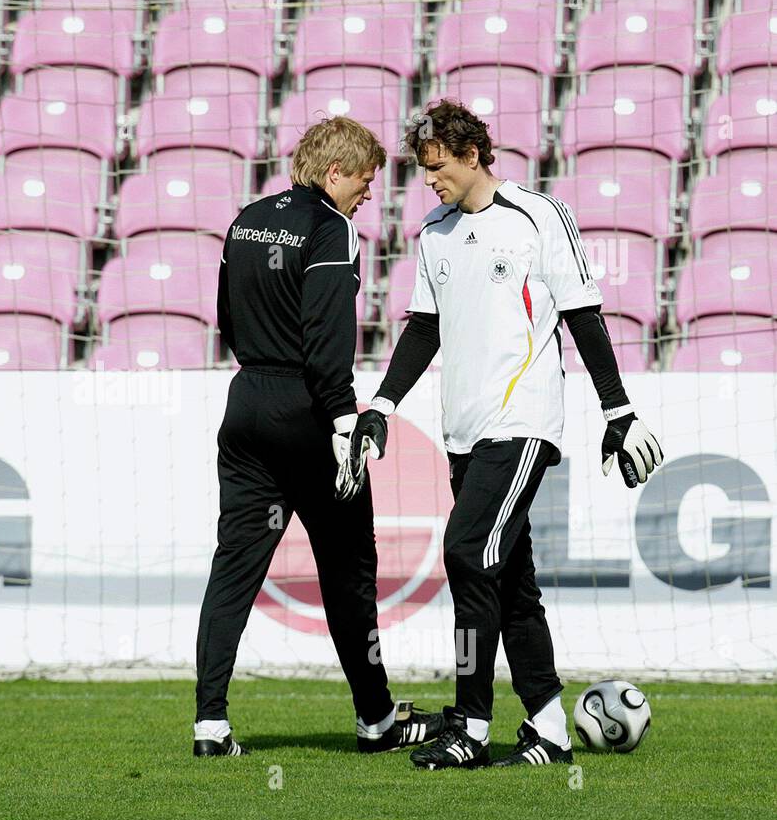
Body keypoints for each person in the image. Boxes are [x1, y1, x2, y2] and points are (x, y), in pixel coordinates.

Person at [342, 100, 664, 769]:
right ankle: (548, 727)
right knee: (511, 581)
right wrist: (380, 405)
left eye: (437, 168)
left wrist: (618, 411)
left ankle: (472, 725)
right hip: (462, 431)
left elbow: (582, 314)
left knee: (464, 550)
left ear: (470, 155)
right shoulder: (433, 231)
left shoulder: (537, 216)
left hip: (523, 424)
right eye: (424, 171)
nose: (430, 181)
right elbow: (423, 330)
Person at [193, 116, 445, 757]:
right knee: (348, 571)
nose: (369, 196)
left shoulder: (245, 219)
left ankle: (211, 726)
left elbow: (226, 315)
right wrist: (341, 420)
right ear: (336, 172)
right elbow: (326, 338)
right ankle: (376, 720)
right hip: (309, 412)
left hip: (246, 403)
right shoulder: (333, 231)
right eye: (365, 182)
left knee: (234, 568)